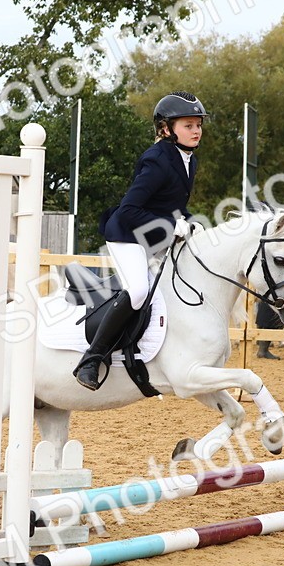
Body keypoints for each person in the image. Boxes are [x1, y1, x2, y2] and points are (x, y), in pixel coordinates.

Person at [73, 90, 207, 391]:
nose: (196, 130)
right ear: (166, 128)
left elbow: (173, 204)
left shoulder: (190, 160)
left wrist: (188, 221)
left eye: (198, 124)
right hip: (126, 234)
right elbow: (130, 210)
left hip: (154, 236)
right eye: (188, 125)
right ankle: (91, 359)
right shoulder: (156, 159)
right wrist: (173, 224)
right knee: (137, 291)